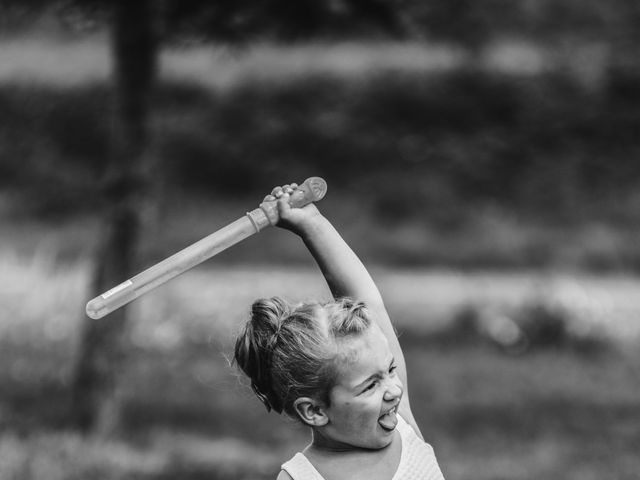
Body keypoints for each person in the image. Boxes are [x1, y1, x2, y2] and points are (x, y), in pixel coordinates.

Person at [234, 183, 446, 480]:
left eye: (390, 369)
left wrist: (311, 223)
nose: (395, 390)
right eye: (370, 386)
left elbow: (369, 302)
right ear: (315, 411)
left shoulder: (402, 428)